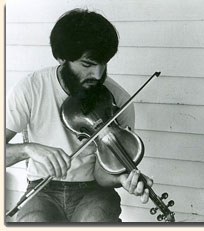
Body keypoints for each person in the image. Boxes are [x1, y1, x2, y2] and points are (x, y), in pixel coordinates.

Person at [6, 8, 152, 222]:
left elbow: (103, 177)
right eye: (87, 64)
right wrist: (28, 149)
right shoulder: (31, 88)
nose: (98, 74)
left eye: (104, 64)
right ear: (61, 58)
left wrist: (122, 178)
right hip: (42, 190)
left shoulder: (118, 101)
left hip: (93, 191)